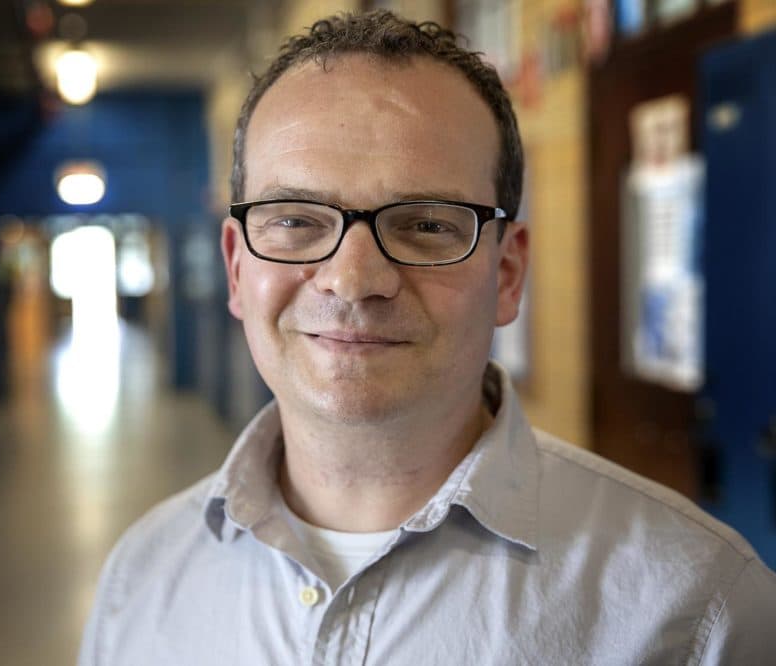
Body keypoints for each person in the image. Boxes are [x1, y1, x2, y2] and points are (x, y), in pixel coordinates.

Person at [79, 10, 775, 664]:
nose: (352, 281)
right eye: (295, 221)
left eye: (428, 224)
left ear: (507, 273)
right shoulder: (140, 578)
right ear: (237, 267)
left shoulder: (698, 612)